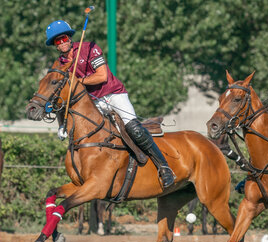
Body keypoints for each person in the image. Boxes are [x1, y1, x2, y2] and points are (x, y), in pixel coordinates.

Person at [45, 20, 175, 187]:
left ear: (69, 38)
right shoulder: (60, 65)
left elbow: (102, 76)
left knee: (133, 128)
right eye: (57, 41)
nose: (61, 43)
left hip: (113, 94)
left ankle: (164, 167)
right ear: (55, 45)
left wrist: (79, 81)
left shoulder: (89, 48)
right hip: (94, 102)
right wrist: (61, 122)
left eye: (63, 38)